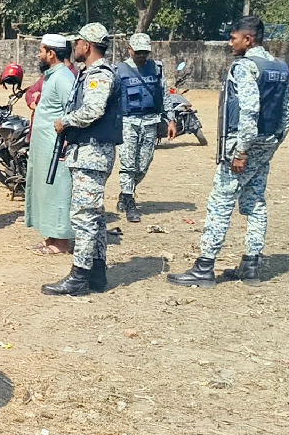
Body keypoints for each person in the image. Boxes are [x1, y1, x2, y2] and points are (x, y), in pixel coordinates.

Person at [168, 16, 289, 288]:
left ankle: (204, 267)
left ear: (248, 39)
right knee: (256, 202)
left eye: (233, 38)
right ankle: (251, 265)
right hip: (266, 144)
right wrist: (271, 144)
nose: (229, 43)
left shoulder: (245, 67)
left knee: (220, 203)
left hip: (242, 147)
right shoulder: (280, 67)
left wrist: (242, 150)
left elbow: (249, 110)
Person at [42, 22, 123, 296]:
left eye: (77, 42)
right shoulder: (91, 73)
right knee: (94, 218)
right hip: (88, 151)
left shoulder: (99, 74)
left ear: (86, 46)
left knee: (84, 217)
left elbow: (93, 110)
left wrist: (64, 122)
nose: (74, 47)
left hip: (93, 153)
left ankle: (79, 276)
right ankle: (97, 274)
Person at [115, 33, 177, 222]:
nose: (142, 56)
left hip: (150, 121)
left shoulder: (156, 69)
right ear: (130, 50)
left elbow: (164, 94)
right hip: (127, 122)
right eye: (138, 52)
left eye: (145, 52)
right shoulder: (118, 70)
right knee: (128, 164)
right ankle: (130, 201)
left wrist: (171, 119)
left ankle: (125, 193)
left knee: (143, 165)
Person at [25, 34, 77, 255]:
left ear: (51, 53)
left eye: (41, 50)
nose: (39, 55)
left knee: (58, 191)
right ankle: (51, 236)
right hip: (44, 147)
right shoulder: (52, 76)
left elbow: (73, 111)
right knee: (46, 191)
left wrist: (68, 140)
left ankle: (62, 242)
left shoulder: (63, 78)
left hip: (56, 147)